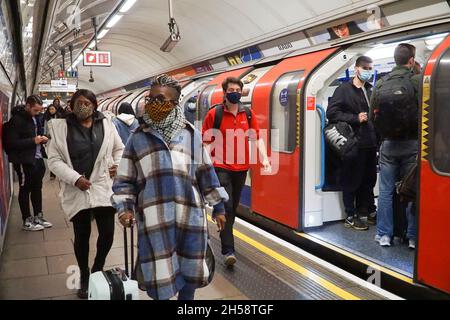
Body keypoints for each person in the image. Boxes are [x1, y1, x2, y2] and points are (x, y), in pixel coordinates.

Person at [112, 74, 228, 301]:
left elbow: (206, 173)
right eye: (151, 99)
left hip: (190, 220)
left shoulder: (190, 135)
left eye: (160, 99)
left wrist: (219, 208)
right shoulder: (138, 138)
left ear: (174, 103)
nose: (153, 104)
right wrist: (124, 208)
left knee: (189, 279)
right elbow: (124, 180)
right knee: (159, 280)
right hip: (156, 223)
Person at [47, 89, 124, 299]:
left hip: (102, 187)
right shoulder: (61, 127)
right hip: (77, 189)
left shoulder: (107, 124)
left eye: (87, 103)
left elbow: (119, 148)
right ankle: (83, 274)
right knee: (82, 235)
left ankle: (97, 269)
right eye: (78, 103)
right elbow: (53, 160)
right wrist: (75, 179)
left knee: (107, 233)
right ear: (71, 106)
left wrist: (117, 164)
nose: (83, 106)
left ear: (95, 105)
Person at [202, 77, 271, 266]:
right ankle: (228, 250)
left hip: (242, 168)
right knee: (228, 206)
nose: (235, 93)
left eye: (238, 90)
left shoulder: (247, 114)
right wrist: (204, 165)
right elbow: (207, 142)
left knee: (232, 208)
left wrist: (264, 157)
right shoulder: (214, 114)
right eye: (231, 89)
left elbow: (257, 138)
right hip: (220, 166)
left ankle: (223, 228)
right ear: (224, 92)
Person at [370, 43, 420, 249]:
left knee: (385, 191)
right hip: (412, 144)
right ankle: (412, 236)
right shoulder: (417, 80)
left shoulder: (381, 83)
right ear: (411, 60)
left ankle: (384, 235)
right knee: (411, 191)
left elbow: (373, 114)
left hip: (388, 145)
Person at [326, 56, 378, 231]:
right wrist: (355, 118)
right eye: (365, 68)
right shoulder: (344, 90)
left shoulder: (371, 90)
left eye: (371, 68)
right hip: (353, 143)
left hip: (371, 143)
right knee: (351, 180)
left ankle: (368, 211)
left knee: (369, 180)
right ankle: (350, 214)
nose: (368, 71)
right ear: (357, 69)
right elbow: (332, 113)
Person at [5, 95, 53, 231]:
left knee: (37, 188)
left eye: (39, 111)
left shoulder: (35, 119)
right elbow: (11, 143)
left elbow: (37, 136)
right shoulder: (16, 121)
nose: (38, 113)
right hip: (23, 161)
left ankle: (38, 216)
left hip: (37, 160)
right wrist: (34, 141)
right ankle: (27, 220)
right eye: (35, 111)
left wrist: (43, 139)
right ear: (27, 106)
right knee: (25, 189)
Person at [44, 104, 58, 180]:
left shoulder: (59, 117)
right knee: (51, 156)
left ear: (55, 109)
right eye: (50, 109)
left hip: (58, 139)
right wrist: (46, 135)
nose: (51, 110)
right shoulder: (47, 118)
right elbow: (45, 129)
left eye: (53, 109)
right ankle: (52, 173)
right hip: (50, 140)